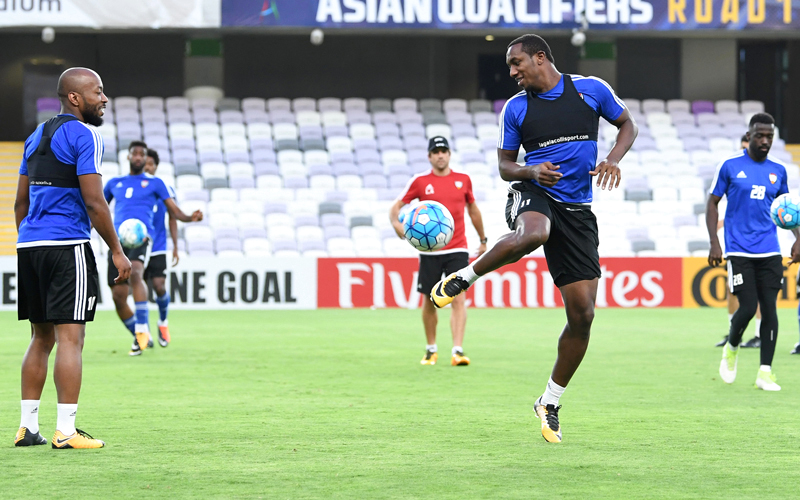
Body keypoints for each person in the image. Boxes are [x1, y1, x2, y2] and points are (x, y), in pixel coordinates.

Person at [429, 34, 637, 443]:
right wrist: (531, 171)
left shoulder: (591, 90)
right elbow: (505, 166)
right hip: (533, 193)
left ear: (540, 57)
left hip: (577, 210)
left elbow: (627, 124)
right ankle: (463, 278)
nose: (512, 72)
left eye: (516, 63)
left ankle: (549, 402)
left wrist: (612, 159)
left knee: (583, 316)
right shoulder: (516, 108)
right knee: (535, 233)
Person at [14, 67, 131, 449]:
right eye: (98, 91)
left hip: (30, 246)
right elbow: (95, 202)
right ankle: (65, 431)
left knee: (40, 337)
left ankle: (27, 428)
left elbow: (20, 203)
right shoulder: (86, 135)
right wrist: (117, 251)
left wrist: (31, 240)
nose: (104, 98)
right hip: (67, 245)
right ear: (76, 98)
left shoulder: (34, 137)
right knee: (71, 338)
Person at [707, 113, 800, 392]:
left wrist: (798, 239)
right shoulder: (730, 165)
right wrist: (714, 242)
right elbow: (712, 203)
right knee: (747, 307)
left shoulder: (778, 170)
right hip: (738, 249)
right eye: (760, 136)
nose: (765, 141)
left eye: (769, 136)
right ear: (749, 136)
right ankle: (732, 347)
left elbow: (786, 210)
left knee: (770, 308)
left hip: (770, 250)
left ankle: (765, 372)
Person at [389, 136, 487, 367]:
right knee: (429, 300)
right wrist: (398, 226)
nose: (440, 155)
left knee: (458, 298)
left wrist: (483, 240)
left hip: (458, 248)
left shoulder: (463, 179)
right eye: (436, 152)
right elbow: (395, 208)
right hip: (430, 252)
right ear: (429, 156)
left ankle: (457, 351)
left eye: (444, 151)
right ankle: (431, 349)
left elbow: (473, 210)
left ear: (449, 154)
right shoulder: (420, 181)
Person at [104, 141, 202, 356]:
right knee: (118, 295)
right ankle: (141, 335)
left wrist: (190, 218)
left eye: (143, 154)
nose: (139, 158)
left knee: (139, 275)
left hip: (144, 238)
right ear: (128, 157)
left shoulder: (156, 184)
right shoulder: (114, 183)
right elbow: (97, 209)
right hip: (117, 242)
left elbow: (174, 212)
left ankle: (143, 331)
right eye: (135, 154)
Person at [715, 133, 762, 349]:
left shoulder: (764, 174)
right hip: (737, 243)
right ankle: (734, 332)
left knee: (758, 289)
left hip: (759, 242)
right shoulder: (735, 172)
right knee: (731, 287)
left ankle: (759, 334)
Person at [143, 149, 179, 347]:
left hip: (157, 246)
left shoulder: (165, 189)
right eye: (145, 164)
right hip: (138, 247)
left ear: (156, 167)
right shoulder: (135, 189)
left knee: (159, 286)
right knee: (139, 290)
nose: (147, 167)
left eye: (151, 164)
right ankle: (144, 331)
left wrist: (175, 246)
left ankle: (163, 322)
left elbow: (173, 217)